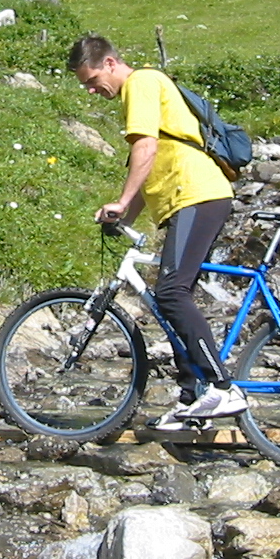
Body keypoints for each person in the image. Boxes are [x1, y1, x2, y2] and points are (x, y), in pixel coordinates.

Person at [67, 33, 247, 429]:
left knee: (170, 292)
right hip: (188, 200)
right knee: (172, 299)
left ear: (110, 63)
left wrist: (121, 200)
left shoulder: (141, 83)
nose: (92, 90)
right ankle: (192, 399)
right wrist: (124, 216)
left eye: (92, 80)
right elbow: (150, 167)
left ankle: (222, 387)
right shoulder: (139, 89)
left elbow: (145, 149)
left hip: (196, 195)